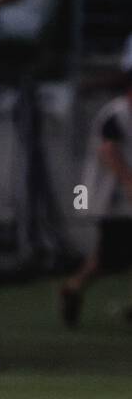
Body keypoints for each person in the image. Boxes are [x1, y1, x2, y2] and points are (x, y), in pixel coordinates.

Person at [61, 66, 132, 325]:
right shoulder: (115, 114)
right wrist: (128, 182)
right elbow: (108, 150)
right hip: (113, 197)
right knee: (109, 257)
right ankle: (73, 287)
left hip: (124, 194)